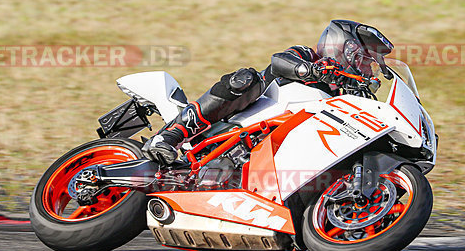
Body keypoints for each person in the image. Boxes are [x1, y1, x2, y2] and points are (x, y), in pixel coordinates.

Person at [143, 20, 395, 165]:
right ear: (345, 48)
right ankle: (170, 136)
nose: (367, 70)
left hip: (270, 152)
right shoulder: (308, 56)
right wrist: (311, 71)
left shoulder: (342, 97)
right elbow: (279, 61)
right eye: (364, 60)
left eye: (370, 65)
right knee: (246, 79)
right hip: (242, 118)